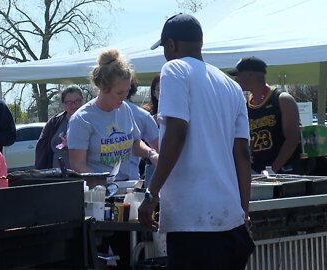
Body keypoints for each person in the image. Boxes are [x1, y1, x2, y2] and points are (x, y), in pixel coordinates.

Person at [139, 14, 255, 270]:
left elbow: (177, 133)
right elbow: (243, 152)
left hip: (193, 221)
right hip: (231, 223)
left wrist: (151, 193)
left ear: (171, 45)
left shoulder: (175, 69)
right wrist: (243, 211)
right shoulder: (231, 85)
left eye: (165, 49)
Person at [67, 48, 159, 269]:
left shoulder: (125, 109)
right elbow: (77, 164)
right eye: (119, 93)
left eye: (127, 92)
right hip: (99, 202)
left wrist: (150, 153)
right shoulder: (83, 119)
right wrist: (106, 184)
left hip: (129, 196)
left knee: (132, 256)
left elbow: (134, 143)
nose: (124, 97)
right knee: (107, 260)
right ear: (102, 88)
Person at [228, 56, 301, 174]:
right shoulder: (247, 105)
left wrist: (273, 169)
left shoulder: (282, 99)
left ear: (251, 74)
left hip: (284, 173)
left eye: (239, 74)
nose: (236, 79)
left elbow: (292, 139)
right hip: (258, 173)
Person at [35, 85, 84, 169]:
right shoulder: (54, 122)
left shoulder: (91, 121)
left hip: (83, 173)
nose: (74, 105)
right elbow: (42, 149)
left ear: (83, 101)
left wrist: (74, 144)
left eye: (77, 101)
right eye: (69, 102)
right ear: (63, 104)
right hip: (58, 175)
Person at [125, 79, 159, 181]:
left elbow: (135, 142)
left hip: (131, 180)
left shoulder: (138, 113)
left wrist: (151, 153)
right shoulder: (143, 114)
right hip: (100, 185)